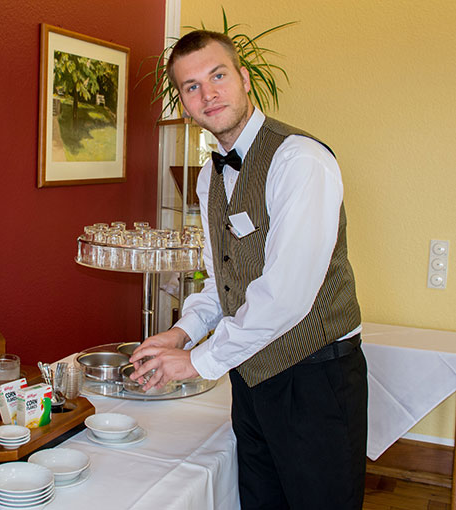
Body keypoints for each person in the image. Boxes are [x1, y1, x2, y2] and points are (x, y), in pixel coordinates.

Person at [129, 30, 367, 510]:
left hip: (315, 378)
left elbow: (287, 294)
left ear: (243, 78)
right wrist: (182, 333)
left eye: (217, 76)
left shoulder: (300, 160)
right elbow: (222, 280)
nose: (207, 94)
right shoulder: (207, 176)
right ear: (183, 101)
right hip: (251, 377)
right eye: (191, 86)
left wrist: (199, 362)